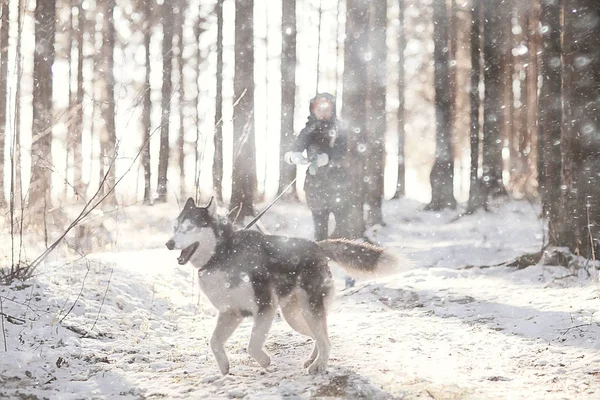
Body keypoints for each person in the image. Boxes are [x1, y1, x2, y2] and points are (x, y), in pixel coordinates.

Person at [284, 93, 355, 287]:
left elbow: (341, 150)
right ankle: (323, 274)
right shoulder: (308, 129)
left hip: (339, 185)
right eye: (319, 108)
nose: (323, 112)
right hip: (316, 187)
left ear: (332, 109)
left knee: (344, 230)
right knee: (320, 232)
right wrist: (294, 157)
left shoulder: (338, 128)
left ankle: (350, 270)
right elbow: (294, 148)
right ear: (313, 110)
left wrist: (328, 158)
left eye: (327, 108)